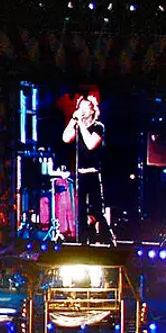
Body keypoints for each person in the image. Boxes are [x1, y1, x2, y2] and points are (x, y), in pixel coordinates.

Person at [61, 92, 115, 246]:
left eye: (85, 108)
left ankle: (108, 238)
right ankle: (83, 241)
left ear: (92, 110)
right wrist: (73, 121)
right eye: (80, 107)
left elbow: (91, 144)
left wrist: (81, 125)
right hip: (80, 175)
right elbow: (66, 138)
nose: (82, 111)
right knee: (80, 210)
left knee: (97, 209)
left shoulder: (98, 127)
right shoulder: (77, 126)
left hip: (93, 174)